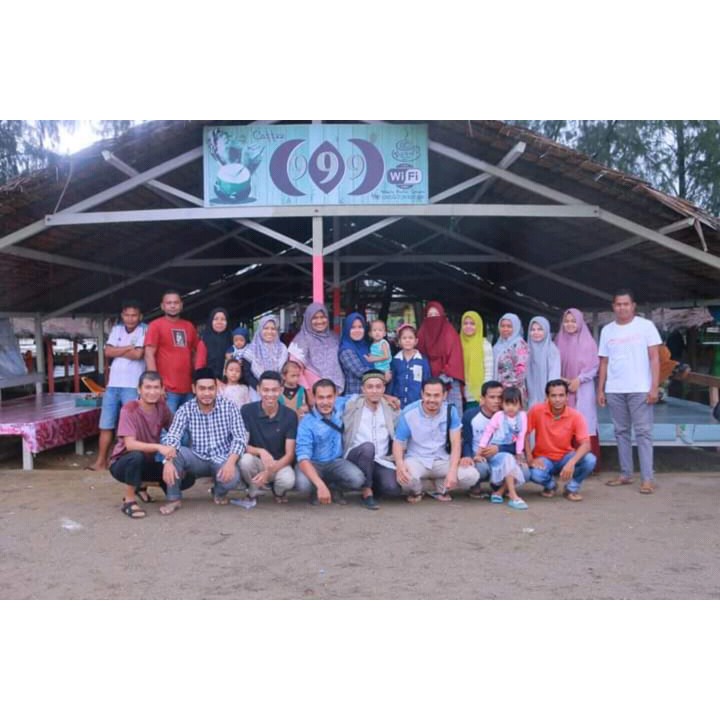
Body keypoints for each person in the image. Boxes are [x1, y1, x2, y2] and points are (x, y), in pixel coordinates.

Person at [597, 289, 661, 494]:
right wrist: (601, 389)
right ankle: (625, 473)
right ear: (613, 307)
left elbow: (654, 358)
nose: (622, 308)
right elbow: (604, 362)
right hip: (615, 389)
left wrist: (654, 387)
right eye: (618, 304)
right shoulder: (607, 330)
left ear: (633, 306)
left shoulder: (646, 326)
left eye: (626, 304)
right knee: (621, 432)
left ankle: (648, 478)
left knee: (643, 433)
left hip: (640, 388)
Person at [159, 367, 247, 515]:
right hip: (197, 458)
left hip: (222, 458)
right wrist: (168, 461)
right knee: (175, 455)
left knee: (232, 479)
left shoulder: (229, 407)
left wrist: (231, 463)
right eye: (202, 388)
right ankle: (174, 499)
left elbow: (240, 437)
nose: (207, 393)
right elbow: (173, 436)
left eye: (211, 388)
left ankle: (218, 492)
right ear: (194, 389)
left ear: (216, 388)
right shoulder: (186, 409)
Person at [393, 377, 480, 503]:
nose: (432, 400)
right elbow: (398, 442)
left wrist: (452, 471)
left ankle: (440, 487)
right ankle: (417, 491)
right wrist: (400, 465)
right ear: (422, 394)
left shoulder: (451, 411)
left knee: (471, 476)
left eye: (436, 395)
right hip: (417, 459)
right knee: (406, 479)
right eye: (428, 395)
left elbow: (456, 444)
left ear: (444, 395)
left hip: (442, 459)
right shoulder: (409, 412)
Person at [109, 371, 179, 518]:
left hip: (146, 462)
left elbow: (175, 429)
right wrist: (160, 447)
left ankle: (141, 485)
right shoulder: (129, 409)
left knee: (185, 477)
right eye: (147, 387)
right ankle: (128, 501)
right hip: (123, 464)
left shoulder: (162, 407)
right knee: (136, 456)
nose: (152, 392)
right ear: (139, 389)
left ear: (162, 390)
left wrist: (170, 459)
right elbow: (130, 445)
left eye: (156, 387)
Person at [88, 299, 147, 471]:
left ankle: (124, 463)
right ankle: (101, 462)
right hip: (113, 385)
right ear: (122, 315)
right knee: (106, 424)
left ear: (140, 316)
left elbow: (138, 355)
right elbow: (107, 352)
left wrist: (118, 350)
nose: (130, 318)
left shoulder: (145, 329)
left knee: (130, 427)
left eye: (134, 315)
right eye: (127, 315)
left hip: (132, 385)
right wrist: (129, 347)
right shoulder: (117, 329)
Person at [294, 379, 365, 506]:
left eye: (329, 397)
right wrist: (320, 485)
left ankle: (334, 488)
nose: (325, 402)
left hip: (335, 461)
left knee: (358, 479)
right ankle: (316, 489)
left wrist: (388, 398)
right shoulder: (306, 423)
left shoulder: (341, 404)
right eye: (321, 397)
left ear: (336, 396)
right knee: (303, 485)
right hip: (313, 462)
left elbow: (365, 395)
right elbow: (303, 458)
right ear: (314, 398)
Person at [525, 379, 596, 502]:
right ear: (547, 397)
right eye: (553, 396)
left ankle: (571, 488)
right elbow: (524, 434)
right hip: (543, 458)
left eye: (561, 395)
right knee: (534, 474)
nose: (557, 399)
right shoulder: (536, 411)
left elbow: (586, 444)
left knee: (590, 460)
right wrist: (530, 458)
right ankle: (551, 485)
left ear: (567, 397)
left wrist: (571, 462)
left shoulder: (575, 416)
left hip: (565, 457)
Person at [462, 381, 529, 509]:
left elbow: (517, 441)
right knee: (481, 469)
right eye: (492, 397)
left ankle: (500, 490)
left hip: (502, 455)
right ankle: (477, 485)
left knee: (525, 472)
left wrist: (499, 448)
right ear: (482, 399)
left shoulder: (513, 416)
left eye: (499, 397)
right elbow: (466, 440)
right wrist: (469, 456)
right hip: (479, 456)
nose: (496, 401)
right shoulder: (471, 415)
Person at [342, 370, 399, 509]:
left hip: (380, 459)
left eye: (378, 387)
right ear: (363, 389)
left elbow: (401, 433)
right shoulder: (352, 405)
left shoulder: (390, 408)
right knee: (368, 447)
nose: (374, 391)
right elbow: (334, 398)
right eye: (370, 387)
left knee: (392, 489)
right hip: (356, 456)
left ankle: (373, 484)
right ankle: (366, 491)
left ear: (384, 388)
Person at [240, 371, 298, 505]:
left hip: (279, 463)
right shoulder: (247, 410)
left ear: (281, 390)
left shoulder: (290, 415)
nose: (270, 394)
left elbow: (290, 454)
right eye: (265, 390)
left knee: (288, 480)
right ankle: (254, 490)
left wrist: (268, 472)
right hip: (257, 461)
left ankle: (278, 492)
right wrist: (260, 451)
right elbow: (242, 444)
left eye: (274, 390)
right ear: (258, 389)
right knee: (245, 460)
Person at [555, 308, 600, 465]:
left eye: (573, 321)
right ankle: (564, 463)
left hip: (583, 388)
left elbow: (594, 367)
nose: (569, 324)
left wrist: (579, 380)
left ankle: (587, 464)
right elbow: (553, 364)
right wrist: (562, 379)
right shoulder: (558, 341)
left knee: (584, 422)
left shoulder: (589, 342)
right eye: (566, 321)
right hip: (562, 388)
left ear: (580, 322)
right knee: (563, 422)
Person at [144, 290, 199, 413]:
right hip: (167, 390)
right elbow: (149, 354)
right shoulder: (155, 325)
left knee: (189, 424)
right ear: (162, 306)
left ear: (181, 305)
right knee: (168, 424)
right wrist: (156, 385)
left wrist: (197, 381)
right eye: (169, 303)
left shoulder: (189, 326)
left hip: (188, 389)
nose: (173, 306)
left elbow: (195, 354)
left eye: (176, 303)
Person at [417, 301, 465, 415]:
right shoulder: (422, 333)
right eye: (430, 315)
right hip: (427, 381)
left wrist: (443, 377)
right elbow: (418, 357)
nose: (433, 318)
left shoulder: (450, 333)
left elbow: (455, 358)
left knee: (451, 414)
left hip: (449, 382)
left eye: (436, 315)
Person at [288, 303, 344, 395]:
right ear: (308, 319)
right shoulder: (301, 340)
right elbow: (295, 370)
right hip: (314, 392)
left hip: (336, 391)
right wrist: (307, 392)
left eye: (322, 317)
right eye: (314, 318)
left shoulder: (334, 337)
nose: (319, 321)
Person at [389, 324, 431, 409]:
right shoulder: (395, 360)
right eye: (404, 338)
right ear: (399, 341)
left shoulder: (422, 361)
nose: (407, 340)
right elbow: (392, 382)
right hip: (398, 404)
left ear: (416, 341)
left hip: (417, 404)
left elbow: (426, 381)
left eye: (410, 338)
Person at [241, 315, 289, 390]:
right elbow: (247, 374)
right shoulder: (250, 350)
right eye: (266, 328)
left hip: (278, 390)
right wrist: (259, 388)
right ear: (260, 330)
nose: (269, 332)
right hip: (256, 390)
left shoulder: (283, 349)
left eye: (273, 329)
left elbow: (286, 371)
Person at [493, 312, 529, 406]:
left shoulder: (519, 344)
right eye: (503, 326)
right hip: (498, 390)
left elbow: (521, 370)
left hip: (513, 392)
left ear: (516, 327)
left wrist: (507, 387)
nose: (505, 329)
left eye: (509, 326)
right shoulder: (498, 345)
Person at [460, 310, 494, 410]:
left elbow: (489, 372)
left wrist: (484, 393)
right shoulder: (457, 343)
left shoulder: (485, 344)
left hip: (478, 395)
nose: (468, 326)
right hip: (460, 394)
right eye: (465, 323)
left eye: (472, 323)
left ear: (478, 325)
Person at [526, 316, 562, 408]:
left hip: (546, 396)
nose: (536, 332)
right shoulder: (525, 349)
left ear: (546, 330)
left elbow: (554, 376)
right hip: (529, 396)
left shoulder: (552, 350)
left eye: (540, 329)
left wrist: (550, 393)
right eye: (533, 330)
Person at [338, 312, 373, 395]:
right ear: (347, 329)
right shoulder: (346, 350)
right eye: (353, 327)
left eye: (360, 327)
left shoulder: (367, 346)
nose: (357, 330)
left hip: (372, 394)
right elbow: (360, 372)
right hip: (356, 396)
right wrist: (383, 374)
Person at [195, 307, 232, 380]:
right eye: (216, 319)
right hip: (209, 381)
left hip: (231, 381)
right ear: (211, 321)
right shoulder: (204, 341)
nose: (219, 322)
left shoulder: (233, 340)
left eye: (223, 319)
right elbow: (199, 366)